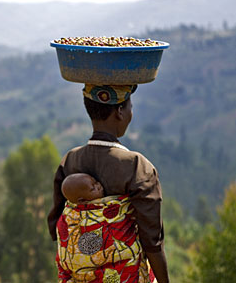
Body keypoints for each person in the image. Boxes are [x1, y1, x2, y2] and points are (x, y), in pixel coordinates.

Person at [48, 84, 169, 283]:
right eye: (130, 106)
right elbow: (152, 241)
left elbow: (57, 227)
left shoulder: (69, 161)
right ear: (120, 111)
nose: (131, 112)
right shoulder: (137, 167)